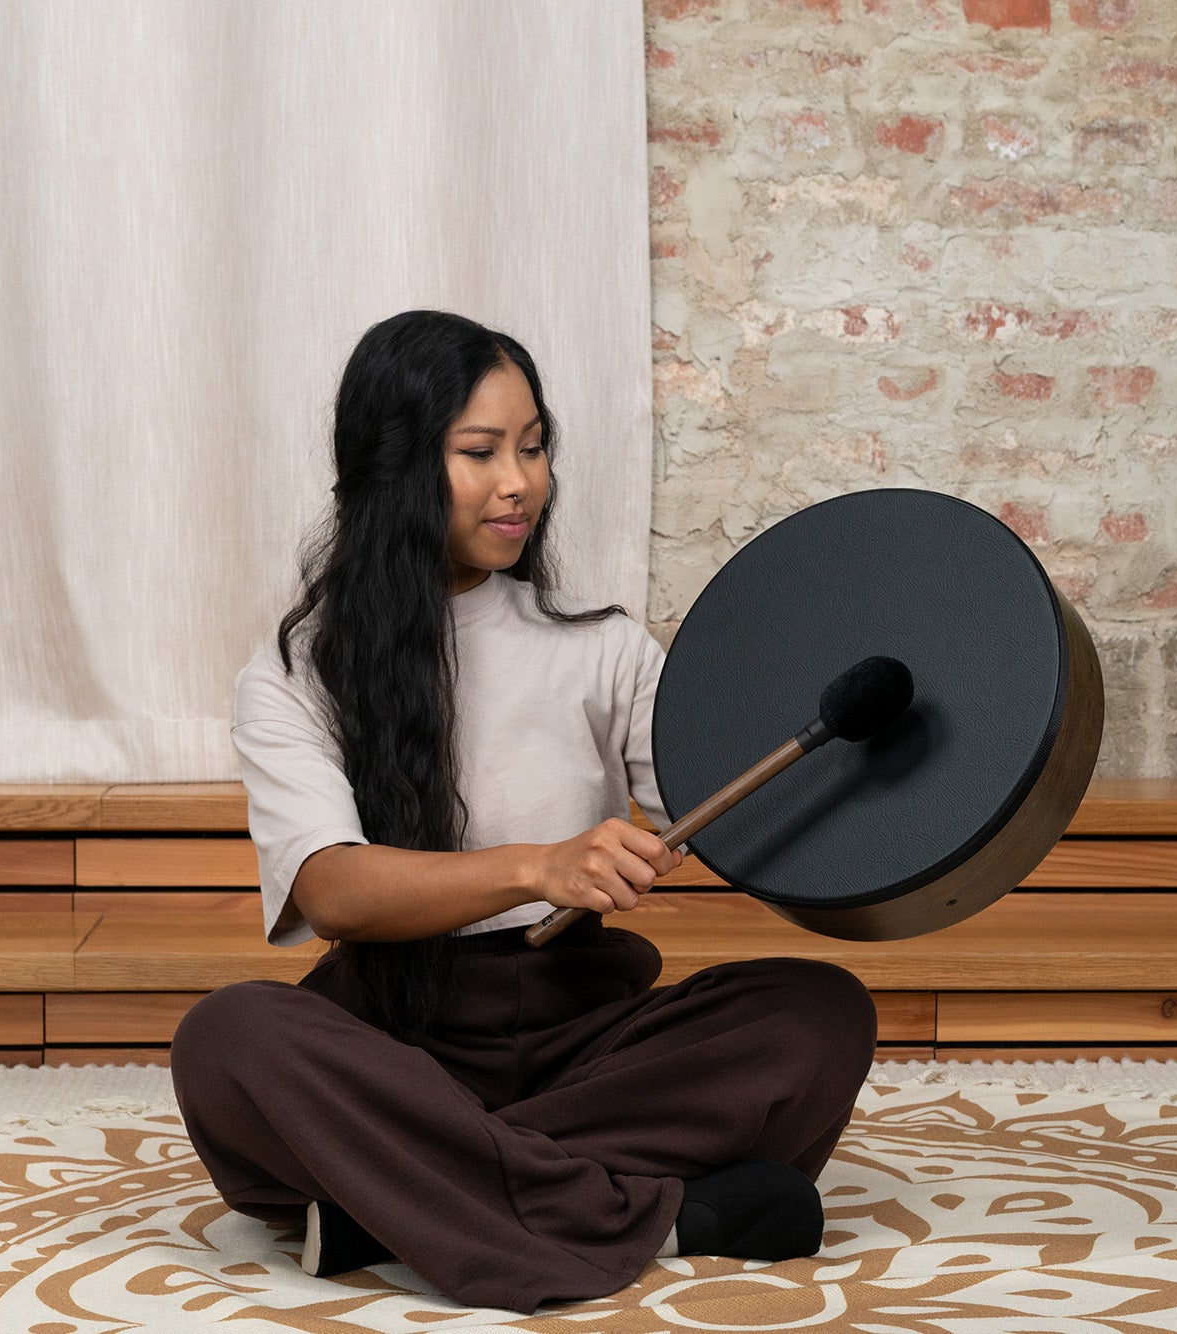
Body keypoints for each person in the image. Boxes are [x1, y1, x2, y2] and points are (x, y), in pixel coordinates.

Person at [169, 309, 878, 1314]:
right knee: (229, 1038)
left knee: (817, 1012)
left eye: (534, 445)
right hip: (399, 1047)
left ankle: (393, 1206)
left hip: (584, 1034)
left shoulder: (606, 647)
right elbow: (331, 889)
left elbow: (731, 816)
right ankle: (673, 1218)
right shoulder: (296, 669)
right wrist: (537, 865)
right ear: (392, 464)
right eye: (480, 451)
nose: (520, 482)